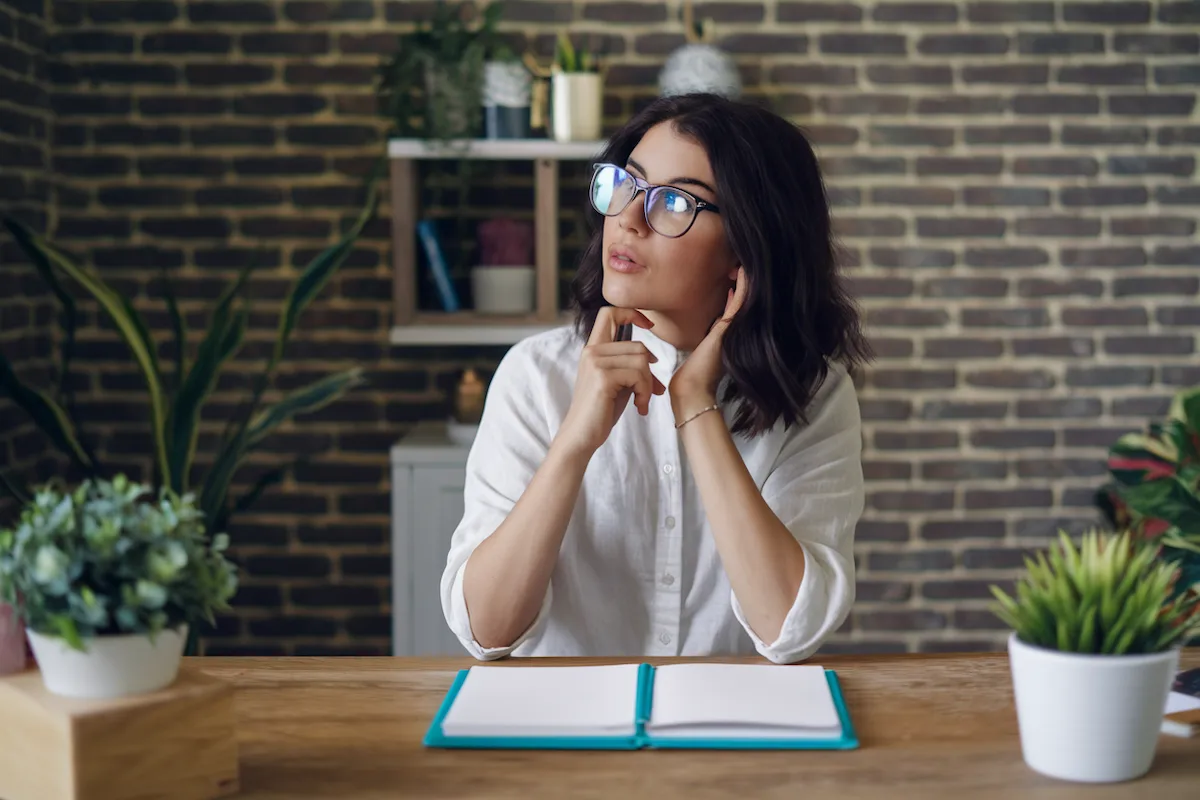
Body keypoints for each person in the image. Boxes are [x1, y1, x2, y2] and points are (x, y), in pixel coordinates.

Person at [440, 92, 871, 664]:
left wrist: (696, 406)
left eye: (674, 202)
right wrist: (575, 442)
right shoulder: (535, 375)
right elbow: (485, 631)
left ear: (750, 242)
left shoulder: (814, 394)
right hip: (566, 735)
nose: (628, 218)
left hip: (732, 734)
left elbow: (788, 629)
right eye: (627, 184)